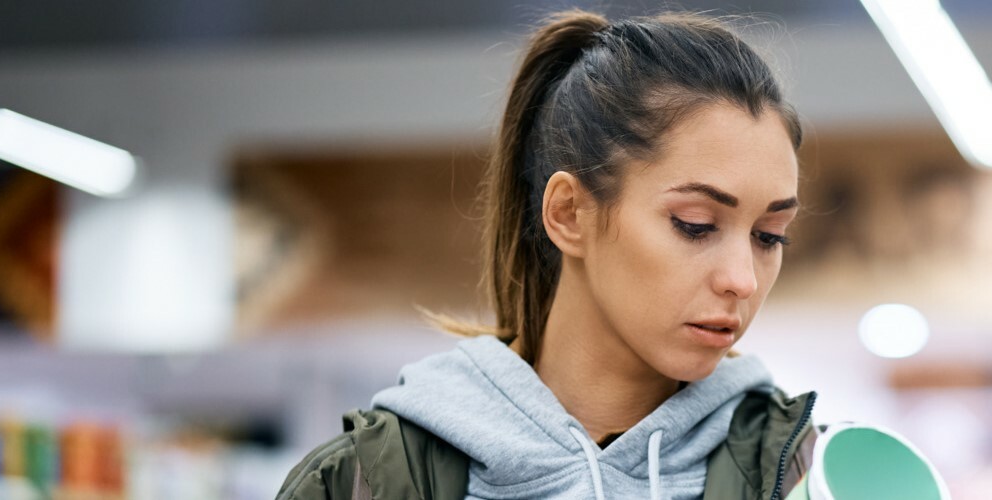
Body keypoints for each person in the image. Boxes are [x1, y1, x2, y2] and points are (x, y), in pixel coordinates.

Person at [275, 9, 815, 500]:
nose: (742, 280)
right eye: (694, 225)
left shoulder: (812, 477)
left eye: (770, 236)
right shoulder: (361, 484)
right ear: (568, 214)